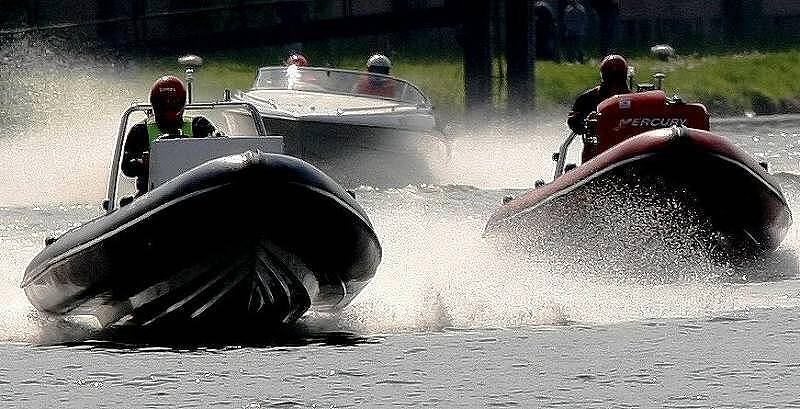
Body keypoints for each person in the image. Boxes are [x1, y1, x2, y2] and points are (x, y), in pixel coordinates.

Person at [122, 75, 216, 195]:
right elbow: (126, 167)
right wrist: (143, 163)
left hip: (194, 191)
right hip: (151, 195)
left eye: (172, 103)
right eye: (163, 103)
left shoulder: (199, 126)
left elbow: (216, 147)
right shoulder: (141, 130)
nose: (168, 105)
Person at [567, 54, 631, 162]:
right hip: (597, 152)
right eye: (611, 75)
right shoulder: (587, 99)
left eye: (618, 75)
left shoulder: (634, 99)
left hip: (629, 152)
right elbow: (573, 120)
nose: (615, 81)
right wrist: (586, 123)